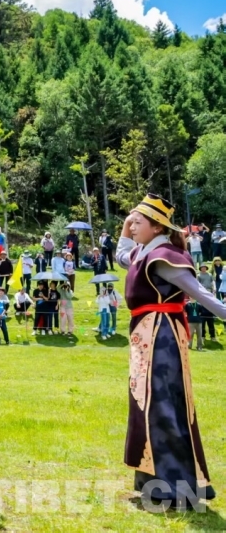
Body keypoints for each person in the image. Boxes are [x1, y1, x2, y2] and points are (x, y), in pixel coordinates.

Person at [115, 193, 226, 507]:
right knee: (146, 405)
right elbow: (121, 255)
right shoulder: (143, 251)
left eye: (138, 222)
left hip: (161, 336)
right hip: (145, 335)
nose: (132, 226)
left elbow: (201, 294)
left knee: (163, 405)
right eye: (132, 222)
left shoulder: (165, 256)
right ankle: (154, 483)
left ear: (156, 227)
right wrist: (127, 223)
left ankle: (175, 486)